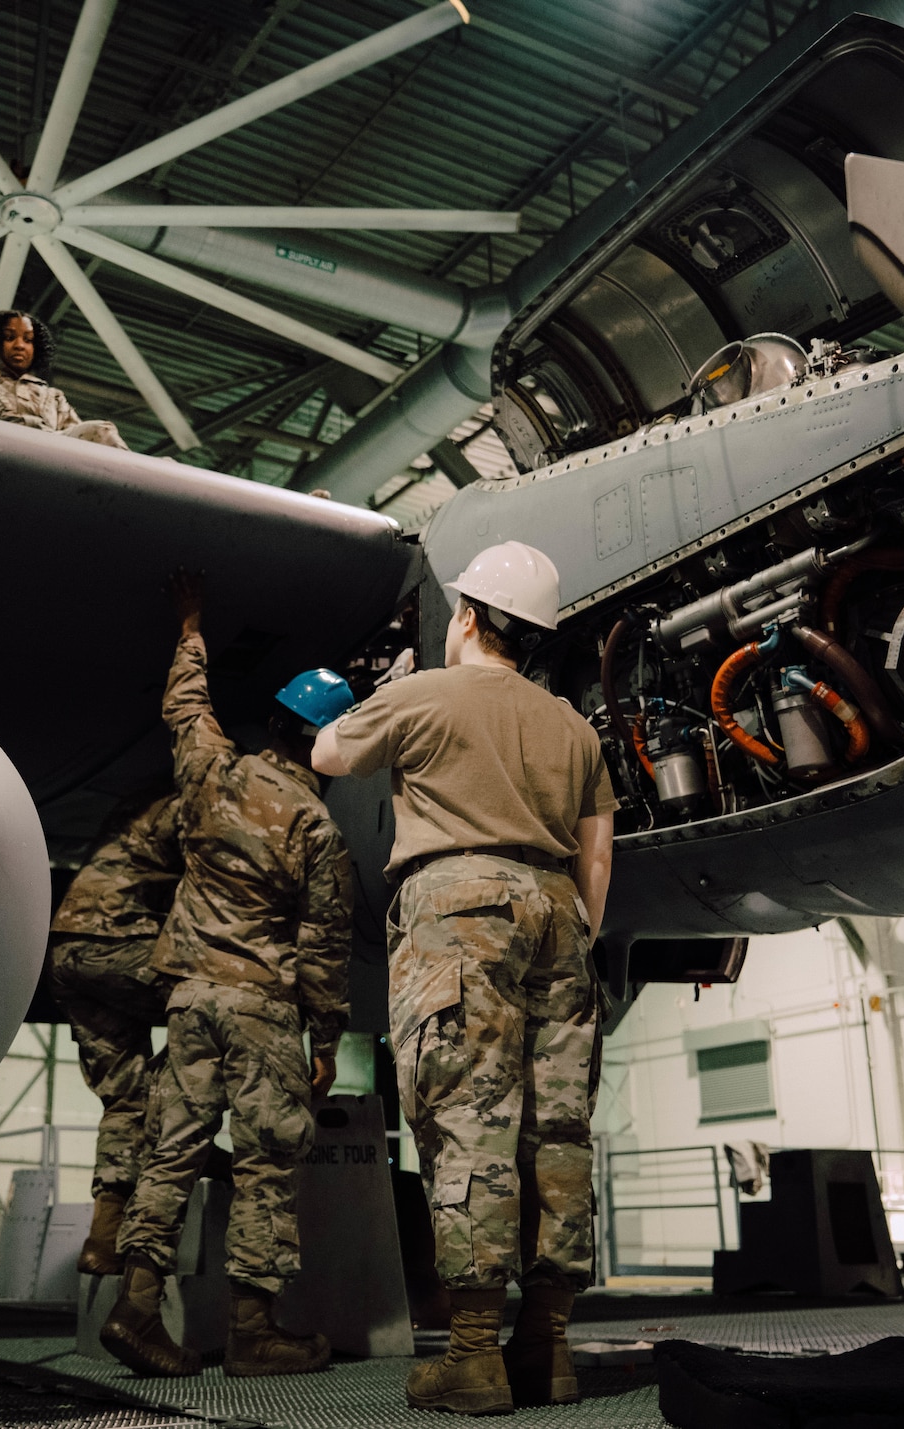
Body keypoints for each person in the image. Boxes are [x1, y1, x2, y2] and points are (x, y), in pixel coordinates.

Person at [310, 541, 616, 1417]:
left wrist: (384, 690)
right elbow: (599, 853)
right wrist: (577, 928)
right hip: (560, 912)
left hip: (460, 907)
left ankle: (475, 1355)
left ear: (472, 617)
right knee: (556, 1130)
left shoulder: (421, 695)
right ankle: (547, 1345)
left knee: (469, 1123)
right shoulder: (573, 725)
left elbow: (330, 754)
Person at [101, 570, 355, 1380]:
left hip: (189, 998)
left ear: (275, 719)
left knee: (169, 1152)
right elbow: (321, 943)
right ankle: (255, 1330)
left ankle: (138, 1309)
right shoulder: (316, 827)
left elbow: (185, 703)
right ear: (325, 744)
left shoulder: (212, 772)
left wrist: (190, 624)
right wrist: (326, 1035)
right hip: (259, 1009)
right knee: (264, 1162)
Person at [49, 788, 183, 1276]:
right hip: (121, 940)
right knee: (222, 1009)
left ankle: (103, 1238)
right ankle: (189, 1149)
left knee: (125, 1100)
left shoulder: (135, 801)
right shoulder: (195, 799)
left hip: (68, 951)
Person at [0, 310, 129, 448]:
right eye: (9, 337)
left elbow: (77, 438)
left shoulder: (51, 395)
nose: (20, 345)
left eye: (28, 340)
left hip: (46, 452)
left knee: (101, 431)